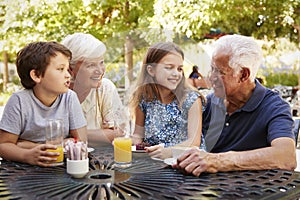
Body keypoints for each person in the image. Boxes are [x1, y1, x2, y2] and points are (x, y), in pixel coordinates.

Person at [174, 35, 296, 176]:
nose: (211, 78)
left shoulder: (274, 107)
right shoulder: (210, 102)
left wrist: (217, 161)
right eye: (212, 69)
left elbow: (286, 157)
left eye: (219, 71)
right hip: (210, 190)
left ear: (243, 75)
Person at [0, 41, 87, 167]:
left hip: (61, 168)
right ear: (36, 75)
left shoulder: (69, 98)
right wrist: (26, 155)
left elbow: (81, 141)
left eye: (67, 69)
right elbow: (3, 145)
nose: (68, 75)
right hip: (24, 171)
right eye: (60, 69)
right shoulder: (19, 101)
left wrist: (27, 145)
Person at [130, 42, 206, 159]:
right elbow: (138, 134)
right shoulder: (143, 98)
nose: (176, 73)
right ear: (151, 70)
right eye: (169, 67)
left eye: (179, 68)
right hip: (153, 163)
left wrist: (168, 152)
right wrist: (130, 142)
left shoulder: (191, 99)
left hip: (187, 163)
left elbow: (194, 142)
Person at [61, 33, 124, 143]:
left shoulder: (105, 88)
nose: (100, 71)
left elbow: (119, 132)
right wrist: (100, 134)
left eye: (101, 63)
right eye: (91, 65)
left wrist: (73, 134)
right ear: (70, 69)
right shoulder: (57, 92)